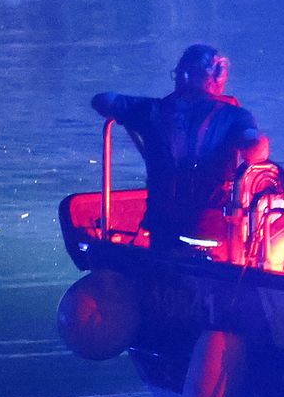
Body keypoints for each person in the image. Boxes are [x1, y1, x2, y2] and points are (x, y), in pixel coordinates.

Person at [94, 44, 266, 250]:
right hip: (214, 229)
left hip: (164, 228)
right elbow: (256, 150)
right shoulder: (235, 116)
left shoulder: (151, 110)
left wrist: (134, 110)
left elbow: (102, 100)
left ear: (184, 75)